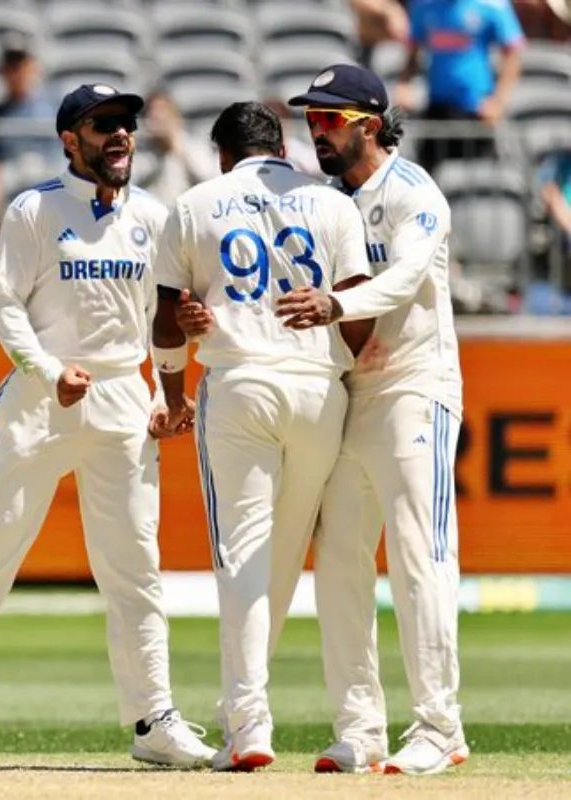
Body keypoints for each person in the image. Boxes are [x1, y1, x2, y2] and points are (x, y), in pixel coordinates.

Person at [0, 84, 215, 770]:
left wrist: (165, 385)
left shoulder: (154, 216)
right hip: (42, 402)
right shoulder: (34, 210)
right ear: (71, 139)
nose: (121, 135)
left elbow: (161, 315)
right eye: (104, 125)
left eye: (125, 123)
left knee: (134, 571)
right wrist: (46, 371)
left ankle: (153, 718)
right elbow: (5, 307)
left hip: (124, 401)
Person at [154, 101, 373, 772]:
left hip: (241, 382)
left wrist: (171, 393)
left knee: (243, 557)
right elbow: (359, 312)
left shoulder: (196, 202)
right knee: (279, 557)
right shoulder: (332, 204)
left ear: (222, 153)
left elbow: (166, 319)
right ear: (279, 144)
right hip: (318, 388)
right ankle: (243, 711)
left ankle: (248, 724)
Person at [268, 64, 467, 776]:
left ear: (371, 124)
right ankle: (361, 728)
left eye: (329, 120)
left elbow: (405, 278)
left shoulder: (415, 192)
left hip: (416, 388)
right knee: (342, 562)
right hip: (349, 396)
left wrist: (335, 306)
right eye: (310, 121)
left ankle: (440, 728)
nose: (315, 132)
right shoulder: (323, 202)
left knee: (421, 556)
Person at [395, 0, 525, 172]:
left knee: (476, 182)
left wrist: (498, 102)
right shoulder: (424, 5)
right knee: (430, 180)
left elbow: (513, 53)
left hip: (477, 111)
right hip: (436, 109)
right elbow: (413, 49)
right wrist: (404, 83)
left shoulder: (493, 5)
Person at [0, 32, 62, 244]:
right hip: (9, 179)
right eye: (10, 65)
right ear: (1, 71)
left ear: (34, 66)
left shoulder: (56, 110)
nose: (16, 72)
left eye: (21, 64)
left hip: (52, 174)